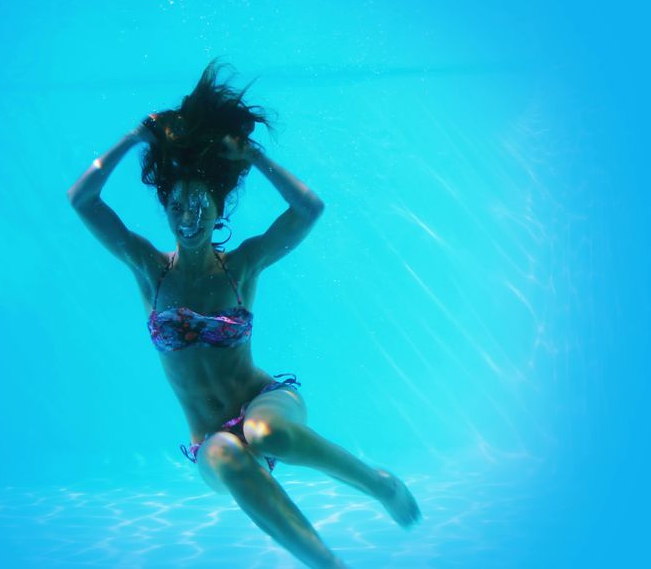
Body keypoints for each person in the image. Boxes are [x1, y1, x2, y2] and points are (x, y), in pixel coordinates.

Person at [67, 60, 420, 569]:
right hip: (207, 437)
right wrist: (134, 137)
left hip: (267, 404)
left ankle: (379, 484)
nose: (189, 217)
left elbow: (309, 210)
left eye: (200, 205)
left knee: (264, 435)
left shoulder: (244, 265)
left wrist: (252, 155)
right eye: (178, 206)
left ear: (218, 209)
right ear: (165, 209)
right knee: (231, 454)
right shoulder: (149, 269)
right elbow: (82, 199)